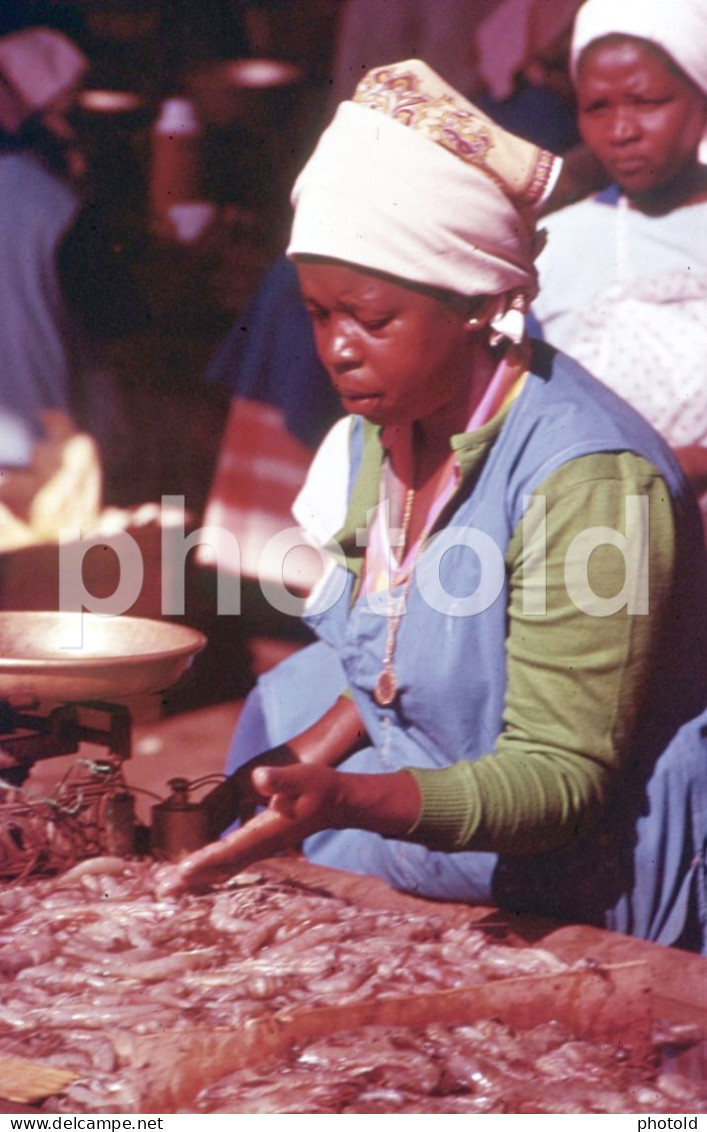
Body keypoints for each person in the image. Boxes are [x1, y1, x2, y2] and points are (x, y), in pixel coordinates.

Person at [159, 60, 707, 950]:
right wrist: (305, 760)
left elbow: (556, 779)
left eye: (370, 320)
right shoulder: (390, 428)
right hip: (418, 834)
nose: (337, 351)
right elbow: (389, 652)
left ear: (480, 307)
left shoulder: (592, 483)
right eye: (317, 314)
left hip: (569, 882)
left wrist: (348, 798)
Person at [530, 0, 707, 527]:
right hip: (596, 543)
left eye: (647, 100)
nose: (622, 130)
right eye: (597, 107)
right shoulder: (553, 246)